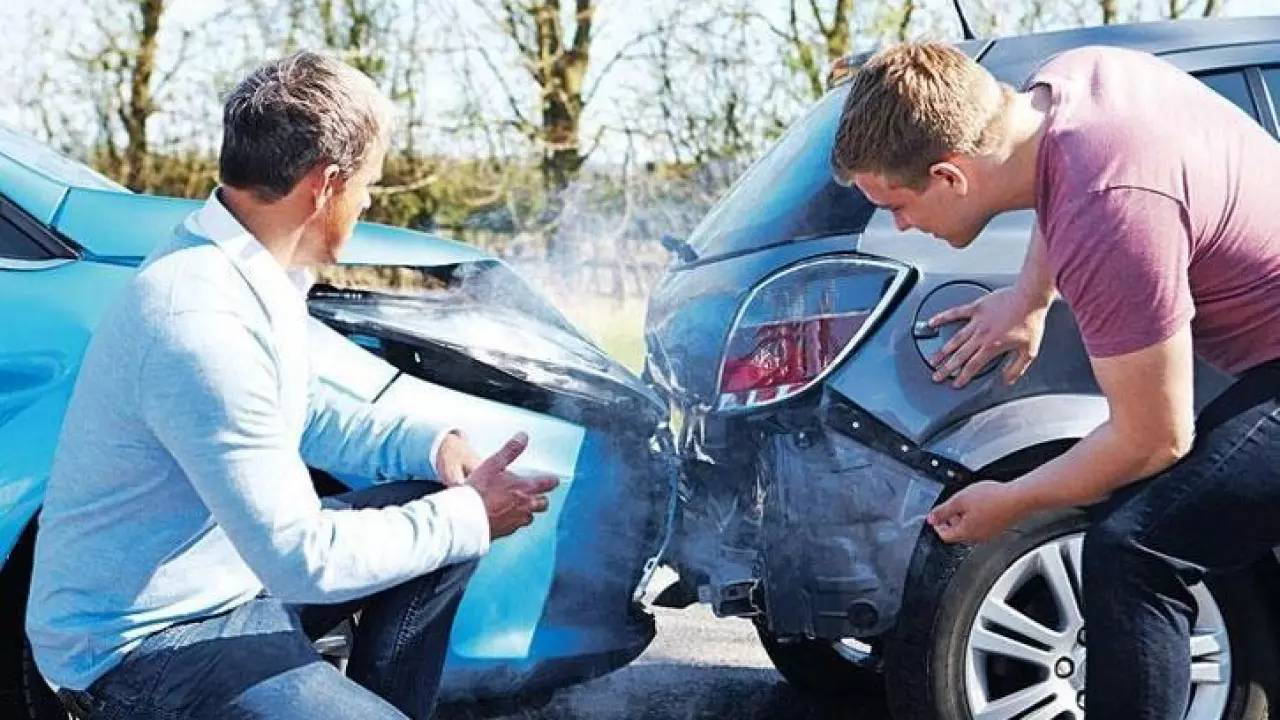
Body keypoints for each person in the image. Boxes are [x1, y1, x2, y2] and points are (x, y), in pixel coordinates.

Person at [25, 51, 558, 720]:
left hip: (228, 581)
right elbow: (300, 560)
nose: (366, 202)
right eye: (368, 184)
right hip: (139, 646)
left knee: (438, 501)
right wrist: (473, 515)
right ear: (326, 184)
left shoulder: (246, 266)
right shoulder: (198, 318)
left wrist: (430, 447)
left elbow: (295, 410)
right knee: (455, 521)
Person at [831, 42, 1280, 718]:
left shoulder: (1110, 210)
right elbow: (1062, 180)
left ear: (951, 176)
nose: (900, 225)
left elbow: (1154, 439)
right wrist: (1029, 295)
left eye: (896, 205)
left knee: (1135, 551)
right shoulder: (1074, 80)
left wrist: (1011, 501)